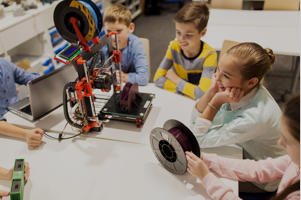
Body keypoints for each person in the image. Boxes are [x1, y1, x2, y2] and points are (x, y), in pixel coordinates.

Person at [191, 43, 285, 193]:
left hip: (263, 181)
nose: (217, 78)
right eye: (218, 70)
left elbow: (198, 140)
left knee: (196, 183)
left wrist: (216, 101)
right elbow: (196, 119)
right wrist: (211, 91)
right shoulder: (245, 90)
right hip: (245, 154)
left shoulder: (253, 117)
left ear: (252, 81)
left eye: (226, 75)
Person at [186, 94, 300, 200]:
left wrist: (207, 178)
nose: (280, 142)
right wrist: (207, 159)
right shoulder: (294, 161)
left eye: (287, 140)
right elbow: (258, 169)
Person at [154, 2, 217, 100]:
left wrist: (175, 79)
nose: (181, 39)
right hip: (182, 99)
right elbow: (157, 79)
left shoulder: (209, 55)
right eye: (178, 32)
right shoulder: (174, 46)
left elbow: (202, 94)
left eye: (188, 35)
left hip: (198, 105)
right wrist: (189, 91)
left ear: (203, 32)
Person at [96, 4, 149, 86]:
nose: (113, 36)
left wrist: (122, 76)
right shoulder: (102, 45)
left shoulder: (136, 44)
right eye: (109, 31)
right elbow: (91, 70)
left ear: (130, 28)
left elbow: (144, 78)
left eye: (118, 31)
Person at [0, 57, 44, 149]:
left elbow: (28, 78)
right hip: (4, 131)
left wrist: (48, 81)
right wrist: (26, 134)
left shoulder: (3, 63)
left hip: (19, 114)